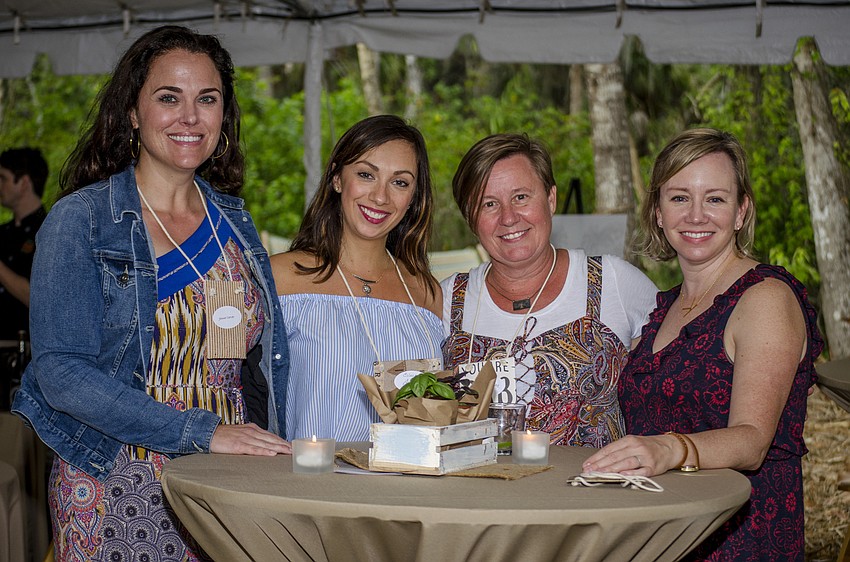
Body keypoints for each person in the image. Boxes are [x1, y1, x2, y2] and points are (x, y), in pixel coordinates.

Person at [12, 25, 291, 561]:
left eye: (206, 99)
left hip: (224, 484)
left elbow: (257, 366)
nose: (190, 116)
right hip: (119, 480)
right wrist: (200, 430)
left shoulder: (235, 222)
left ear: (223, 116)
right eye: (169, 97)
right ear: (133, 113)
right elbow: (63, 373)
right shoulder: (82, 220)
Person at [583, 128, 823, 561]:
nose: (696, 216)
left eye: (714, 198)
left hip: (740, 538)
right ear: (657, 211)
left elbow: (752, 442)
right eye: (679, 198)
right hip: (665, 534)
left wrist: (668, 447)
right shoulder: (668, 306)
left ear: (740, 210)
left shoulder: (765, 298)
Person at [441, 133, 657, 447]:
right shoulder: (447, 301)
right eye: (489, 204)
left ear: (551, 199)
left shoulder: (613, 282)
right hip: (479, 495)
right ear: (470, 219)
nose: (508, 217)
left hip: (597, 493)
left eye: (521, 197)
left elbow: (675, 386)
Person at [272, 114, 443, 442]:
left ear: (413, 199)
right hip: (308, 486)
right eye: (366, 175)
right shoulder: (282, 277)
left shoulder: (427, 294)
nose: (381, 196)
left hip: (406, 488)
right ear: (337, 178)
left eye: (400, 182)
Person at [0, 147, 48, 341]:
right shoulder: (3, 232)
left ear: (24, 183)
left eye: (3, 178)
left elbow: (39, 300)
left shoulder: (50, 231)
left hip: (25, 355)